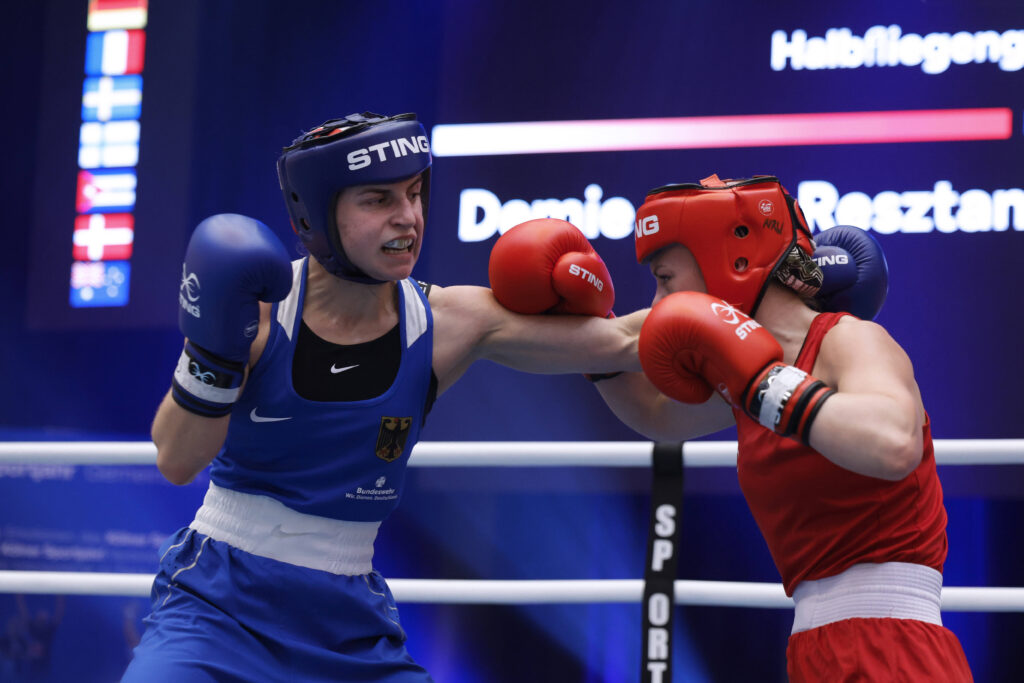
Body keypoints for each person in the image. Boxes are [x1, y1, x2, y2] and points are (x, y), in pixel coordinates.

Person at [121, 112, 644, 682]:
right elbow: (176, 461)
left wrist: (746, 313)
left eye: (415, 193)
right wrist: (215, 351)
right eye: (377, 200)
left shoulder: (449, 321)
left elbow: (622, 341)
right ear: (318, 215)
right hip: (217, 607)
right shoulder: (261, 313)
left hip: (348, 621)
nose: (408, 217)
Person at [589, 174, 972, 681]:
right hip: (812, 646)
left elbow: (894, 441)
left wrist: (764, 384)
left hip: (893, 644)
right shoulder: (747, 378)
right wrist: (583, 331)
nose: (660, 303)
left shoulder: (850, 341)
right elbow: (657, 413)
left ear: (730, 261)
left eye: (665, 280)